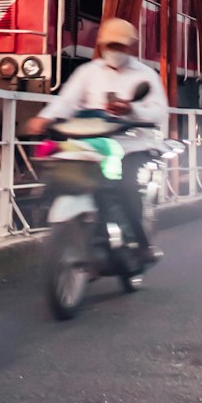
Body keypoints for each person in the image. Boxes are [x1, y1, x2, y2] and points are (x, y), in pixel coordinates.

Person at [27, 17, 168, 262]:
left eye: (120, 46)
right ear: (102, 46)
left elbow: (159, 112)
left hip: (132, 145)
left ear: (131, 47)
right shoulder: (87, 72)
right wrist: (44, 119)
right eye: (110, 46)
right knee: (62, 173)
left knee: (126, 188)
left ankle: (143, 244)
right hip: (92, 143)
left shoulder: (146, 75)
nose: (115, 51)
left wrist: (132, 110)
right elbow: (65, 102)